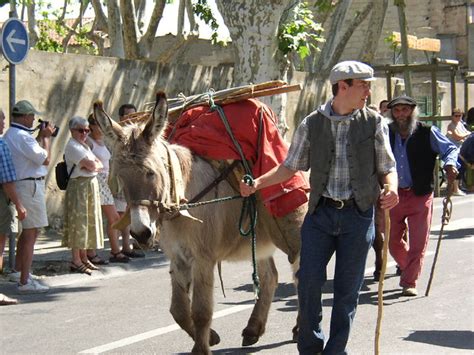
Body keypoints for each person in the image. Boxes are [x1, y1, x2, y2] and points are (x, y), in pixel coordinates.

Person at [240, 60, 399, 354]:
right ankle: (311, 347)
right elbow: (289, 167)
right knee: (309, 283)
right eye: (363, 84)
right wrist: (258, 183)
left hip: (358, 215)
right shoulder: (311, 123)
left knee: (346, 293)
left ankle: (336, 350)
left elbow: (387, 166)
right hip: (320, 215)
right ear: (343, 86)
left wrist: (391, 187)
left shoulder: (374, 122)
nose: (368, 90)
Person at [386, 95, 459, 297]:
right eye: (397, 110)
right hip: (394, 194)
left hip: (420, 194)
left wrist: (451, 164)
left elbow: (450, 148)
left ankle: (409, 281)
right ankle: (408, 265)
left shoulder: (428, 132)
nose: (401, 114)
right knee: (392, 242)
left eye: (405, 110)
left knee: (419, 242)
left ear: (413, 111)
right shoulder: (386, 133)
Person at [4, 100, 54, 293]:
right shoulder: (23, 137)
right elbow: (46, 158)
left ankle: (19, 270)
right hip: (30, 185)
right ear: (24, 117)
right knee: (32, 232)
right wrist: (47, 138)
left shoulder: (11, 134)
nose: (34, 119)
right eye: (32, 116)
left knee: (28, 232)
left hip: (22, 184)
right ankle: (25, 281)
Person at [62, 116, 104, 275]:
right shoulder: (73, 146)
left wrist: (93, 166)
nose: (85, 133)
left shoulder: (84, 145)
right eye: (81, 130)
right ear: (72, 130)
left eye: (87, 130)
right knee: (78, 223)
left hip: (88, 184)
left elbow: (97, 164)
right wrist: (93, 166)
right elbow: (93, 164)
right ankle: (76, 260)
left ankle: (84, 257)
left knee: (88, 221)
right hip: (79, 186)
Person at [87, 114, 131, 262]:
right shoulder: (89, 141)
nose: (101, 128)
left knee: (112, 217)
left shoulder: (102, 142)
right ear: (91, 126)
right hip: (96, 180)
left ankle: (112, 250)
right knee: (111, 218)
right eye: (97, 124)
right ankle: (111, 251)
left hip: (106, 181)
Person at [108, 103, 145, 257]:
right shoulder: (115, 135)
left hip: (131, 180)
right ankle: (116, 249)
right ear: (121, 118)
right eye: (129, 116)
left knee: (127, 213)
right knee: (117, 215)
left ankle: (127, 246)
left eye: (134, 116)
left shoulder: (136, 135)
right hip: (118, 179)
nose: (132, 119)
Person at [0, 108, 26, 304]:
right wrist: (19, 204)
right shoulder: (1, 145)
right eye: (1, 119)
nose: (3, 122)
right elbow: (7, 180)